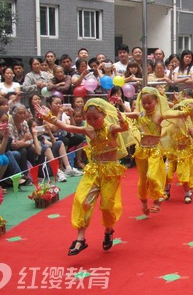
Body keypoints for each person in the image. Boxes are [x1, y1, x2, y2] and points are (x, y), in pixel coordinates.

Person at [35, 98, 131, 256]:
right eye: (89, 119)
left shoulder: (111, 128)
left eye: (96, 118)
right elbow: (67, 127)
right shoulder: (88, 130)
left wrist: (124, 122)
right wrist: (50, 118)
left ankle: (108, 230)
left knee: (107, 206)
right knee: (83, 200)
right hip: (93, 171)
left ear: (104, 115)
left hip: (110, 172)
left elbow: (123, 128)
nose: (93, 122)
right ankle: (81, 239)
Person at [124, 87, 193, 212]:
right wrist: (114, 112)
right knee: (143, 179)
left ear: (157, 101)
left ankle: (157, 200)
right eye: (144, 103)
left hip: (155, 151)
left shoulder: (160, 115)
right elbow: (123, 114)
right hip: (142, 151)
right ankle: (144, 203)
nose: (146, 105)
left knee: (152, 176)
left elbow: (175, 113)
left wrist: (188, 111)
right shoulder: (139, 114)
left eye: (149, 103)